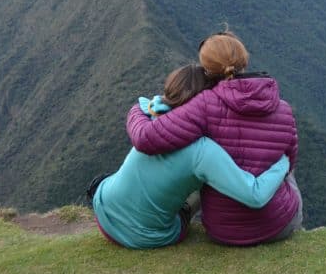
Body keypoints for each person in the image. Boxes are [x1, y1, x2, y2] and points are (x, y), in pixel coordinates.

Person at [127, 31, 302, 245]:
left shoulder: (204, 104)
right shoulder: (283, 109)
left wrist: (138, 109)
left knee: (200, 163)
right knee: (285, 168)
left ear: (207, 70)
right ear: (244, 60)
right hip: (278, 226)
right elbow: (290, 161)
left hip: (225, 232)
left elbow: (145, 138)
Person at [92, 64, 290, 249]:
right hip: (148, 236)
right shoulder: (203, 151)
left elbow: (142, 104)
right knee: (211, 179)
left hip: (102, 208)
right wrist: (282, 163)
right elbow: (254, 196)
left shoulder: (152, 114)